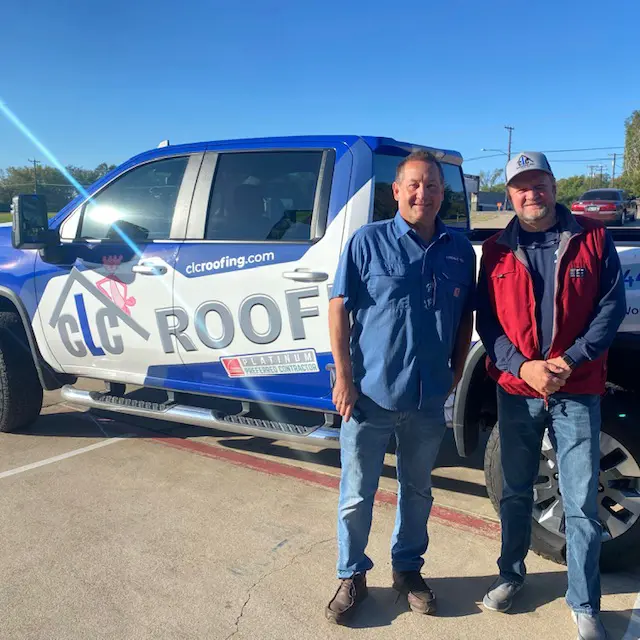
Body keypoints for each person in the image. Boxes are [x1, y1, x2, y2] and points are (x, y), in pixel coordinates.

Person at [476, 152, 626, 640]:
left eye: (538, 183)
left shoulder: (592, 238)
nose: (530, 193)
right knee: (516, 491)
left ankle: (584, 602)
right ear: (510, 194)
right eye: (521, 186)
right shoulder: (497, 250)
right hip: (518, 391)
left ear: (553, 186)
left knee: (580, 500)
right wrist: (525, 367)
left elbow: (609, 309)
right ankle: (510, 575)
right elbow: (489, 324)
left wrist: (568, 362)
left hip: (576, 389)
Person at [325, 150, 476, 624]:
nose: (423, 194)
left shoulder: (458, 250)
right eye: (413, 185)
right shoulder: (366, 242)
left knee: (417, 492)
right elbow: (338, 307)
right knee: (357, 493)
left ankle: (407, 569)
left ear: (442, 193)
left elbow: (464, 315)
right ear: (395, 191)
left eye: (432, 186)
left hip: (428, 398)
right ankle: (352, 574)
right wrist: (345, 378)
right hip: (369, 395)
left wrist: (454, 374)